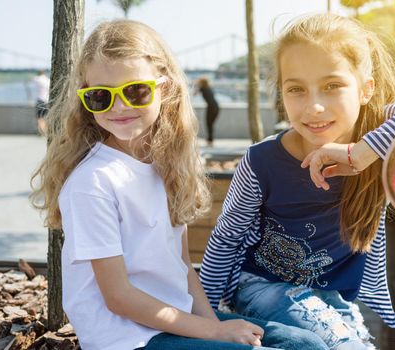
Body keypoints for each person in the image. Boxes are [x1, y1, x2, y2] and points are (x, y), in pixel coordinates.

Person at [30, 19, 328, 350]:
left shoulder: (166, 166)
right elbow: (118, 297)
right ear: (85, 99)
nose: (119, 106)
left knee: (305, 343)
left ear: (165, 88)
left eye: (136, 91)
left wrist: (214, 326)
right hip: (127, 337)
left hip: (174, 320)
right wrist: (215, 334)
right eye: (100, 96)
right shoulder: (94, 182)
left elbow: (184, 269)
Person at [199, 13, 395, 349]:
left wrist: (364, 152)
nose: (314, 106)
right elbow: (226, 238)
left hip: (334, 297)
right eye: (296, 90)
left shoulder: (381, 130)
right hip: (260, 287)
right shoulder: (261, 161)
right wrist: (203, 318)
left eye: (332, 86)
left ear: (366, 90)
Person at [195, 77, 219, 147]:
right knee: (210, 124)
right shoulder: (209, 88)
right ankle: (210, 140)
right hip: (216, 107)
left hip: (211, 108)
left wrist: (197, 85)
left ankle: (210, 141)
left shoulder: (202, 88)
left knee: (209, 124)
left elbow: (194, 94)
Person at [31, 69, 50, 135]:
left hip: (40, 101)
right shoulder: (48, 80)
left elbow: (31, 79)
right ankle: (45, 131)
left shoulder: (37, 79)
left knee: (39, 118)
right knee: (46, 117)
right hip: (47, 101)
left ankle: (42, 132)